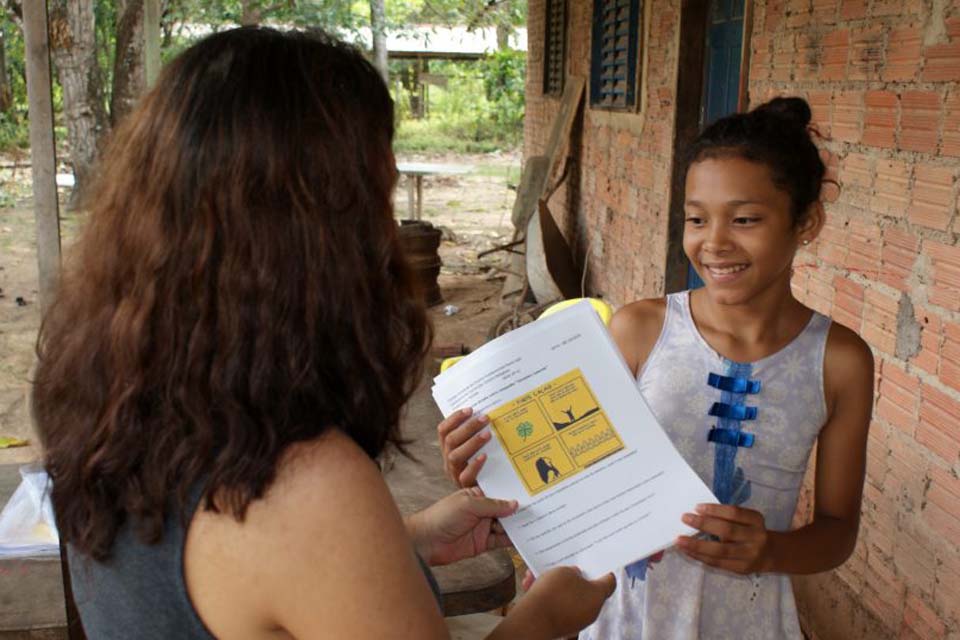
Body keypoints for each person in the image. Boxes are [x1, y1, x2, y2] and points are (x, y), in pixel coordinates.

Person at [32, 27, 615, 639]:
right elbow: (288, 541)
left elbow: (236, 578)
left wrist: (403, 542)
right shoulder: (306, 481)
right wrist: (546, 616)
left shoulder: (102, 401)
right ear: (318, 245)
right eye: (378, 202)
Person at [439, 97, 874, 639]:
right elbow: (575, 473)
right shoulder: (642, 330)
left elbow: (838, 533)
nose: (713, 242)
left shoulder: (839, 361)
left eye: (745, 219)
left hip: (744, 621)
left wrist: (773, 549)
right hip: (619, 612)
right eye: (696, 218)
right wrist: (493, 466)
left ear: (806, 222)